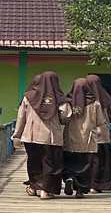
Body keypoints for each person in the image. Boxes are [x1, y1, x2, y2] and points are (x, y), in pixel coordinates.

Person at [12, 71, 70, 199]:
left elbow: (21, 117)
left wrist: (17, 135)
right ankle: (46, 191)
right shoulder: (59, 98)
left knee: (34, 163)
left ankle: (33, 187)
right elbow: (66, 116)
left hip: (30, 137)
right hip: (51, 138)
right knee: (51, 164)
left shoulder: (28, 97)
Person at [62, 74, 111, 196]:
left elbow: (64, 119)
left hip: (71, 139)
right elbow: (100, 121)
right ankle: (80, 191)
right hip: (88, 139)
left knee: (70, 162)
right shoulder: (95, 103)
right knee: (85, 165)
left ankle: (69, 178)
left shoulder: (68, 102)